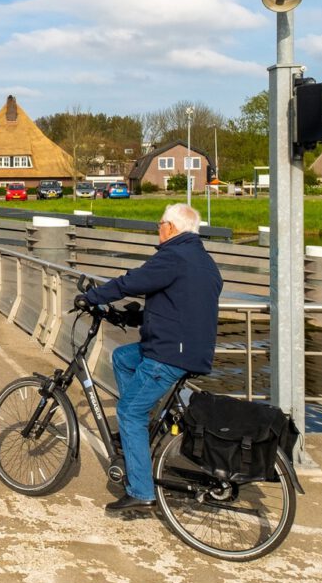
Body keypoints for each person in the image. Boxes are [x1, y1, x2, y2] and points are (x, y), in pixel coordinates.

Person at [78, 202, 221, 513]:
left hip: (170, 353)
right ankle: (145, 430)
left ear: (171, 228)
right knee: (124, 357)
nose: (158, 229)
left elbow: (132, 281)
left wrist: (92, 296)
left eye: (159, 223)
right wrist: (132, 319)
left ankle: (141, 491)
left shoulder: (173, 255)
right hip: (186, 346)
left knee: (129, 412)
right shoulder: (202, 260)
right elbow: (179, 307)